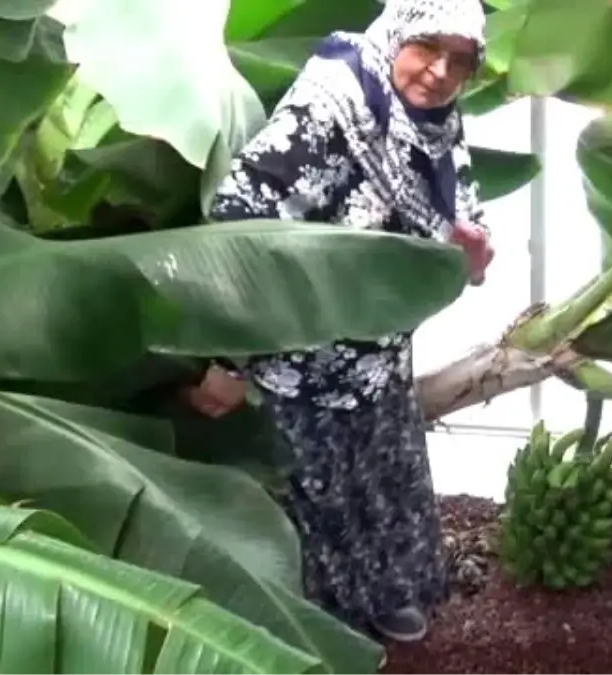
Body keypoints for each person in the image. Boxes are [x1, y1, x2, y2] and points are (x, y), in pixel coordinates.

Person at [197, 0, 495, 644]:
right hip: (301, 359)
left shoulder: (437, 118)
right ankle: (333, 633)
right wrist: (227, 362)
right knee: (323, 504)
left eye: (460, 61)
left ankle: (387, 603)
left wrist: (470, 247)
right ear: (397, 33)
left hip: (380, 357)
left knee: (386, 489)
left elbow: (460, 197)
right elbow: (239, 224)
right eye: (426, 48)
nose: (439, 72)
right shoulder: (328, 107)